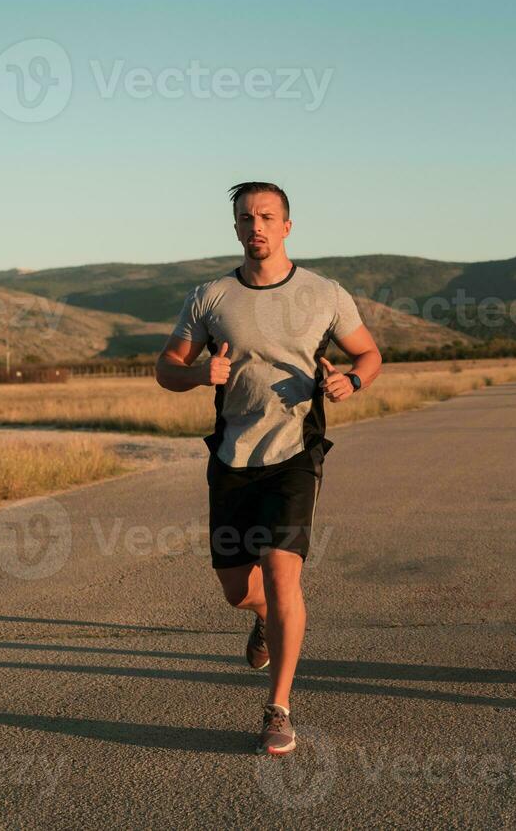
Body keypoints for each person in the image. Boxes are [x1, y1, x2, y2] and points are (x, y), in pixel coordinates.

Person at [155, 182, 381, 754]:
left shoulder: (325, 294)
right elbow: (167, 366)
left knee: (283, 573)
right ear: (235, 228)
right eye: (246, 218)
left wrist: (350, 380)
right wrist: (197, 376)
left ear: (287, 226)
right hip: (232, 455)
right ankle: (261, 620)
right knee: (238, 590)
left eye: (267, 217)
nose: (256, 226)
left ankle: (278, 706)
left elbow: (369, 354)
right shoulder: (209, 297)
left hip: (295, 454)